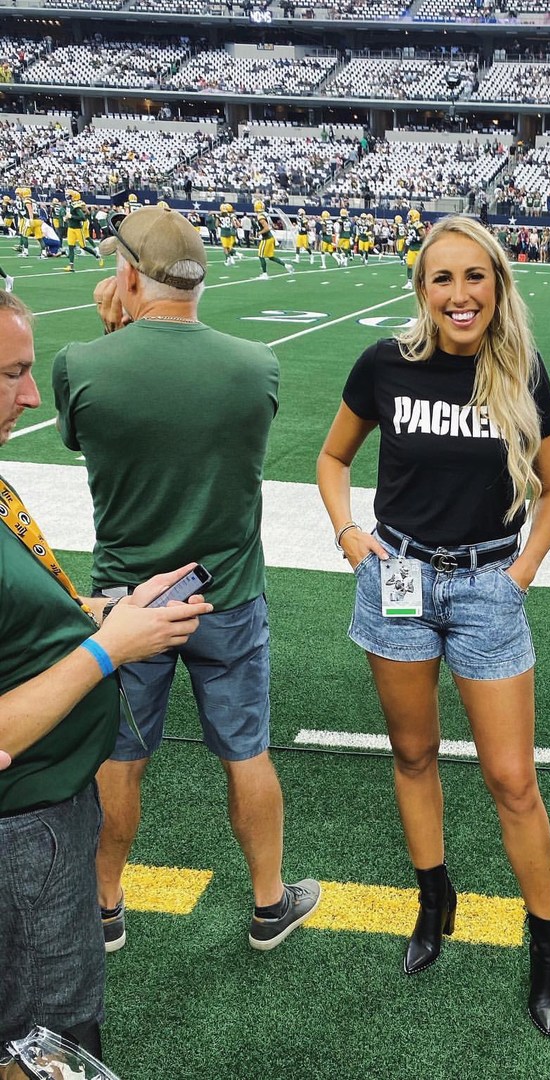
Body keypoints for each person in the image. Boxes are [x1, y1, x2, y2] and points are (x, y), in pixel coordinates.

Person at [317, 215, 550, 1035]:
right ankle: (434, 898)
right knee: (413, 752)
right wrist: (347, 532)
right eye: (442, 279)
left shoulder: (523, 371)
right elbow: (332, 458)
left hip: (487, 584)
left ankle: (546, 945)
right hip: (397, 576)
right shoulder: (384, 363)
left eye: (474, 277)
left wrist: (521, 573)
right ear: (421, 289)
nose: (459, 295)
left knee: (512, 780)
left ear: (497, 284)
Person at [50, 206, 320, 957]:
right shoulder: (257, 366)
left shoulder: (80, 363)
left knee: (118, 759)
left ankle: (105, 909)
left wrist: (112, 334)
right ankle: (269, 903)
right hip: (225, 595)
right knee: (246, 752)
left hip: (124, 603)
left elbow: (81, 433)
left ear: (130, 276)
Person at [0, 290, 212, 1064]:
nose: (32, 394)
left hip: (48, 811)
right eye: (11, 374)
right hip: (22, 826)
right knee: (47, 1040)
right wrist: (109, 649)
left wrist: (109, 608)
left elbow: (26, 616)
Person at [253, 199, 294, 279]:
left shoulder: (261, 217)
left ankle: (264, 274)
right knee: (270, 257)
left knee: (261, 255)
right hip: (269, 237)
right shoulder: (264, 214)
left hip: (267, 238)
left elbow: (267, 228)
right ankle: (287, 266)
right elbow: (270, 226)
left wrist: (259, 233)